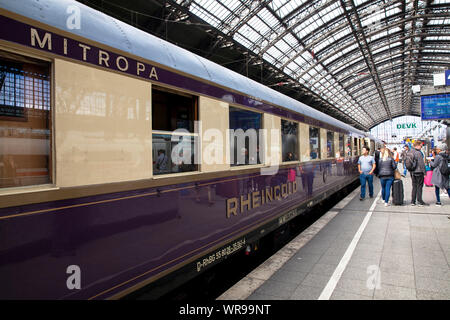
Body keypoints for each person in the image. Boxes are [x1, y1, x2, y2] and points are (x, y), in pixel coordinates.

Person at [409, 141, 428, 206]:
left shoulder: (410, 152)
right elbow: (421, 164)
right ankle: (420, 201)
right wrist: (425, 172)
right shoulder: (418, 153)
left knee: (414, 187)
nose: (421, 147)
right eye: (421, 146)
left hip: (412, 172)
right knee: (419, 186)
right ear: (417, 145)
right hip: (419, 172)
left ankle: (413, 201)